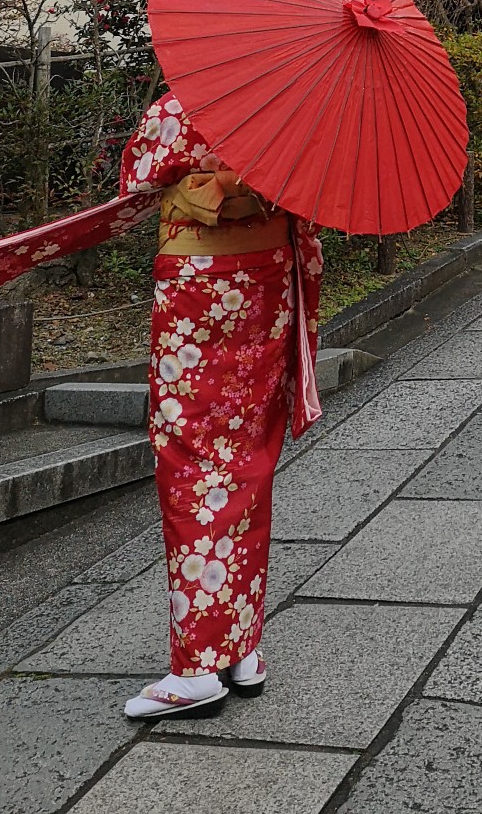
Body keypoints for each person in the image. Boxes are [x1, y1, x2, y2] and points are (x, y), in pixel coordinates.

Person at [119, 91, 323, 723]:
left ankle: (199, 665)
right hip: (265, 282)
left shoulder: (183, 106)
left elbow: (139, 176)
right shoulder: (294, 105)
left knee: (191, 463)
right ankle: (242, 646)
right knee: (249, 457)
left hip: (199, 284)